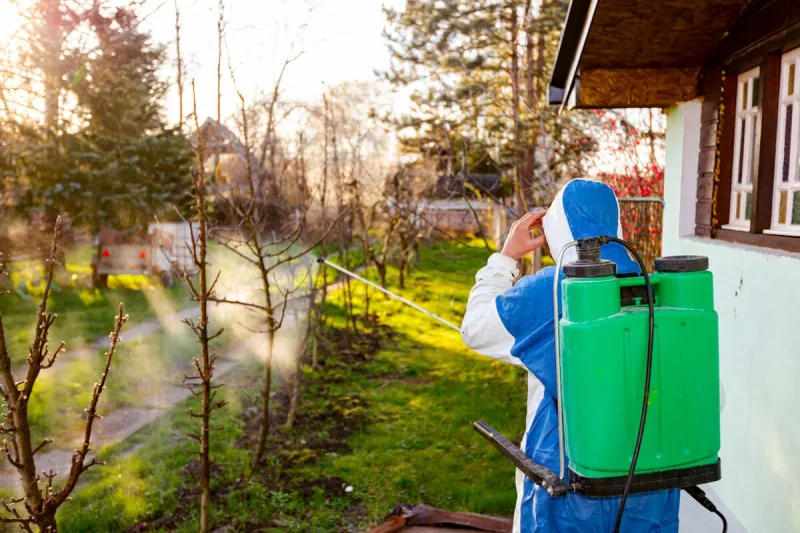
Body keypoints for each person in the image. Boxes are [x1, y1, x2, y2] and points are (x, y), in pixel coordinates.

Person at [461, 179, 680, 532]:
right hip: (649, 488)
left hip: (564, 491)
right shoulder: (660, 290)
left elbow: (475, 329)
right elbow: (709, 396)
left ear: (556, 228)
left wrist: (505, 259)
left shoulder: (549, 291)